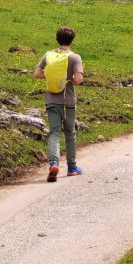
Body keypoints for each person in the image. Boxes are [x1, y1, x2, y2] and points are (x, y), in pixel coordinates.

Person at [34, 26, 85, 182]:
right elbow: (78, 79)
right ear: (72, 40)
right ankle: (72, 167)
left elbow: (36, 74)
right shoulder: (75, 57)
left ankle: (54, 163)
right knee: (70, 133)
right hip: (67, 101)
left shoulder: (48, 55)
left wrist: (52, 77)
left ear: (57, 39)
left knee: (54, 132)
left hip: (51, 100)